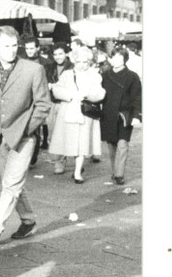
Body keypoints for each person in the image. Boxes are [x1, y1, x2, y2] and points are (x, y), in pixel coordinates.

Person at [0, 26, 51, 244]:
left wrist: (27, 128)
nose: (11, 50)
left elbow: (44, 104)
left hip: (24, 137)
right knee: (12, 183)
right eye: (6, 46)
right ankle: (28, 221)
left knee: (11, 183)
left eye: (14, 46)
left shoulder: (33, 69)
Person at [48, 46, 106, 184]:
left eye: (85, 62)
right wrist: (71, 95)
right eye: (79, 61)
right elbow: (57, 90)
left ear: (89, 62)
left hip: (86, 114)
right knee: (71, 142)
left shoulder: (94, 75)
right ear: (74, 61)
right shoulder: (67, 74)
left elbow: (100, 93)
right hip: (68, 113)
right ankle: (70, 165)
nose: (82, 65)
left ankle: (77, 171)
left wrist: (88, 95)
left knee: (82, 143)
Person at [99, 47, 142, 185]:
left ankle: (119, 174)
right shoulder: (104, 75)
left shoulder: (132, 77)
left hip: (125, 115)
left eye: (119, 57)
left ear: (124, 59)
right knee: (111, 145)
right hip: (108, 114)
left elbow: (137, 97)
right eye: (114, 57)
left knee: (123, 144)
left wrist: (137, 115)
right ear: (110, 59)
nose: (116, 60)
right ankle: (115, 170)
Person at [46, 45, 73, 174]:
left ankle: (62, 161)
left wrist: (56, 86)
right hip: (52, 102)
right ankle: (57, 160)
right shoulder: (49, 67)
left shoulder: (72, 67)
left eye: (60, 54)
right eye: (55, 54)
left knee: (65, 133)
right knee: (51, 132)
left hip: (66, 103)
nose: (58, 57)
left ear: (66, 54)